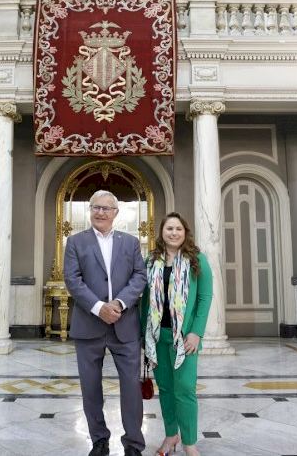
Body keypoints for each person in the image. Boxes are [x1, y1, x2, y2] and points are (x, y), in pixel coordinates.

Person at [64, 190, 147, 456]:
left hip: (125, 325)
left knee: (132, 387)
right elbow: (72, 280)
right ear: (90, 210)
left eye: (106, 208)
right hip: (88, 325)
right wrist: (99, 308)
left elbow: (139, 276)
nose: (100, 212)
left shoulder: (131, 243)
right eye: (96, 207)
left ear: (116, 213)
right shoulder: (76, 242)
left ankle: (133, 443)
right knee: (90, 387)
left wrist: (120, 304)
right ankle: (99, 440)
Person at [140, 212, 213, 456]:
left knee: (185, 389)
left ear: (185, 232)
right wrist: (145, 336)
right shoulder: (151, 261)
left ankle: (189, 442)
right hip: (158, 337)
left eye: (178, 229)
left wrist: (197, 333)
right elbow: (145, 301)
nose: (173, 233)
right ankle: (171, 436)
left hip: (185, 339)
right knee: (166, 389)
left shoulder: (197, 260)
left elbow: (204, 298)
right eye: (169, 228)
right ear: (161, 232)